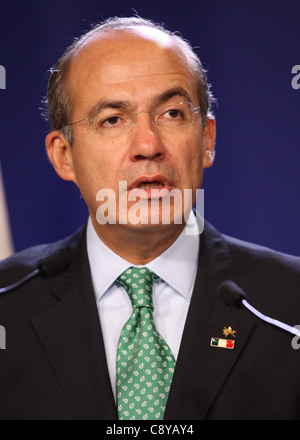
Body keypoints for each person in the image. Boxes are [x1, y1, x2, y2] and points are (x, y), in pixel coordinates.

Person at [1, 16, 300, 421]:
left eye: (173, 113)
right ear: (63, 155)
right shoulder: (7, 303)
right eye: (112, 119)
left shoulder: (290, 305)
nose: (148, 145)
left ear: (207, 140)